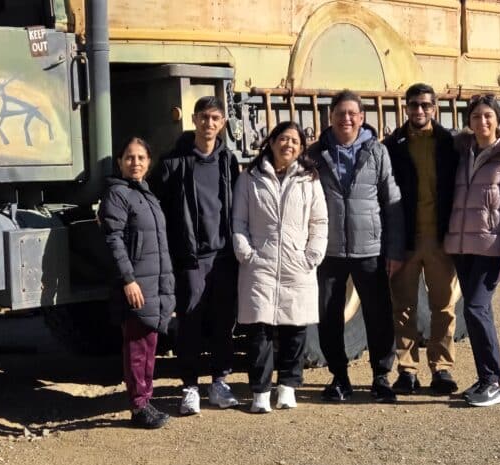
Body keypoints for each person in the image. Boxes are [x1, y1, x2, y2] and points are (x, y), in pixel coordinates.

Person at [308, 90, 405, 403]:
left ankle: (381, 377)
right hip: (329, 251)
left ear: (362, 118)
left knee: (379, 316)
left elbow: (391, 202)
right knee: (329, 317)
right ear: (331, 117)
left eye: (352, 113)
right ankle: (340, 377)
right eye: (340, 113)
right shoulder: (316, 154)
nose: (346, 119)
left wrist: (394, 250)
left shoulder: (377, 152)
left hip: (370, 250)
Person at [149, 96, 241, 415]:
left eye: (215, 118)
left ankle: (219, 382)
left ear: (223, 123)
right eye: (203, 117)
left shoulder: (228, 161)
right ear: (194, 120)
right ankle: (190, 386)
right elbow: (153, 201)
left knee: (223, 322)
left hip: (224, 256)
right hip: (191, 258)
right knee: (190, 322)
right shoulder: (174, 163)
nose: (209, 123)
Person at [231, 121, 328, 413]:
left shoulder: (309, 179)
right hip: (260, 264)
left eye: (295, 141)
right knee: (259, 331)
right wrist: (246, 253)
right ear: (271, 142)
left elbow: (319, 221)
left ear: (301, 148)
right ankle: (260, 391)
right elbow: (239, 221)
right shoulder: (250, 178)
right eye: (283, 139)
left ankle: (287, 386)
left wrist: (311, 255)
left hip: (297, 264)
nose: (289, 145)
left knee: (295, 330)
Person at [444, 94, 500, 407]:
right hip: (463, 247)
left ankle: (494, 382)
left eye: (488, 116)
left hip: (491, 248)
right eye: (476, 116)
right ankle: (484, 378)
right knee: (478, 311)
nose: (482, 121)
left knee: (475, 309)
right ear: (469, 121)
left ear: (497, 120)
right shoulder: (463, 154)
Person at [383, 83, 461, 395]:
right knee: (403, 308)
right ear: (406, 108)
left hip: (439, 239)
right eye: (414, 105)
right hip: (406, 240)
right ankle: (407, 371)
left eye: (425, 105)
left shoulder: (449, 143)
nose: (419, 110)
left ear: (434, 108)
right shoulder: (393, 145)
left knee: (443, 307)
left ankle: (441, 369)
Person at [98, 137, 176, 428]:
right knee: (137, 347)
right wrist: (128, 280)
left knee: (149, 344)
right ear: (119, 162)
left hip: (155, 282)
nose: (135, 163)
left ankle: (146, 401)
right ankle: (139, 405)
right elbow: (114, 240)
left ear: (149, 163)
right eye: (129, 157)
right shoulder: (117, 194)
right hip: (137, 284)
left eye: (141, 157)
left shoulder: (146, 194)